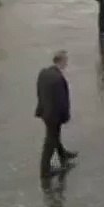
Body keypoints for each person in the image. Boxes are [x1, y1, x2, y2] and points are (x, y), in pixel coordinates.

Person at [35, 50, 77, 178]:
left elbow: (39, 92)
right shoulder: (59, 79)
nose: (67, 63)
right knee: (50, 141)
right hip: (54, 115)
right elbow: (62, 101)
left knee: (54, 136)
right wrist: (65, 116)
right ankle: (45, 170)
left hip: (45, 111)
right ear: (62, 61)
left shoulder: (44, 73)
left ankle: (62, 154)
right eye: (66, 60)